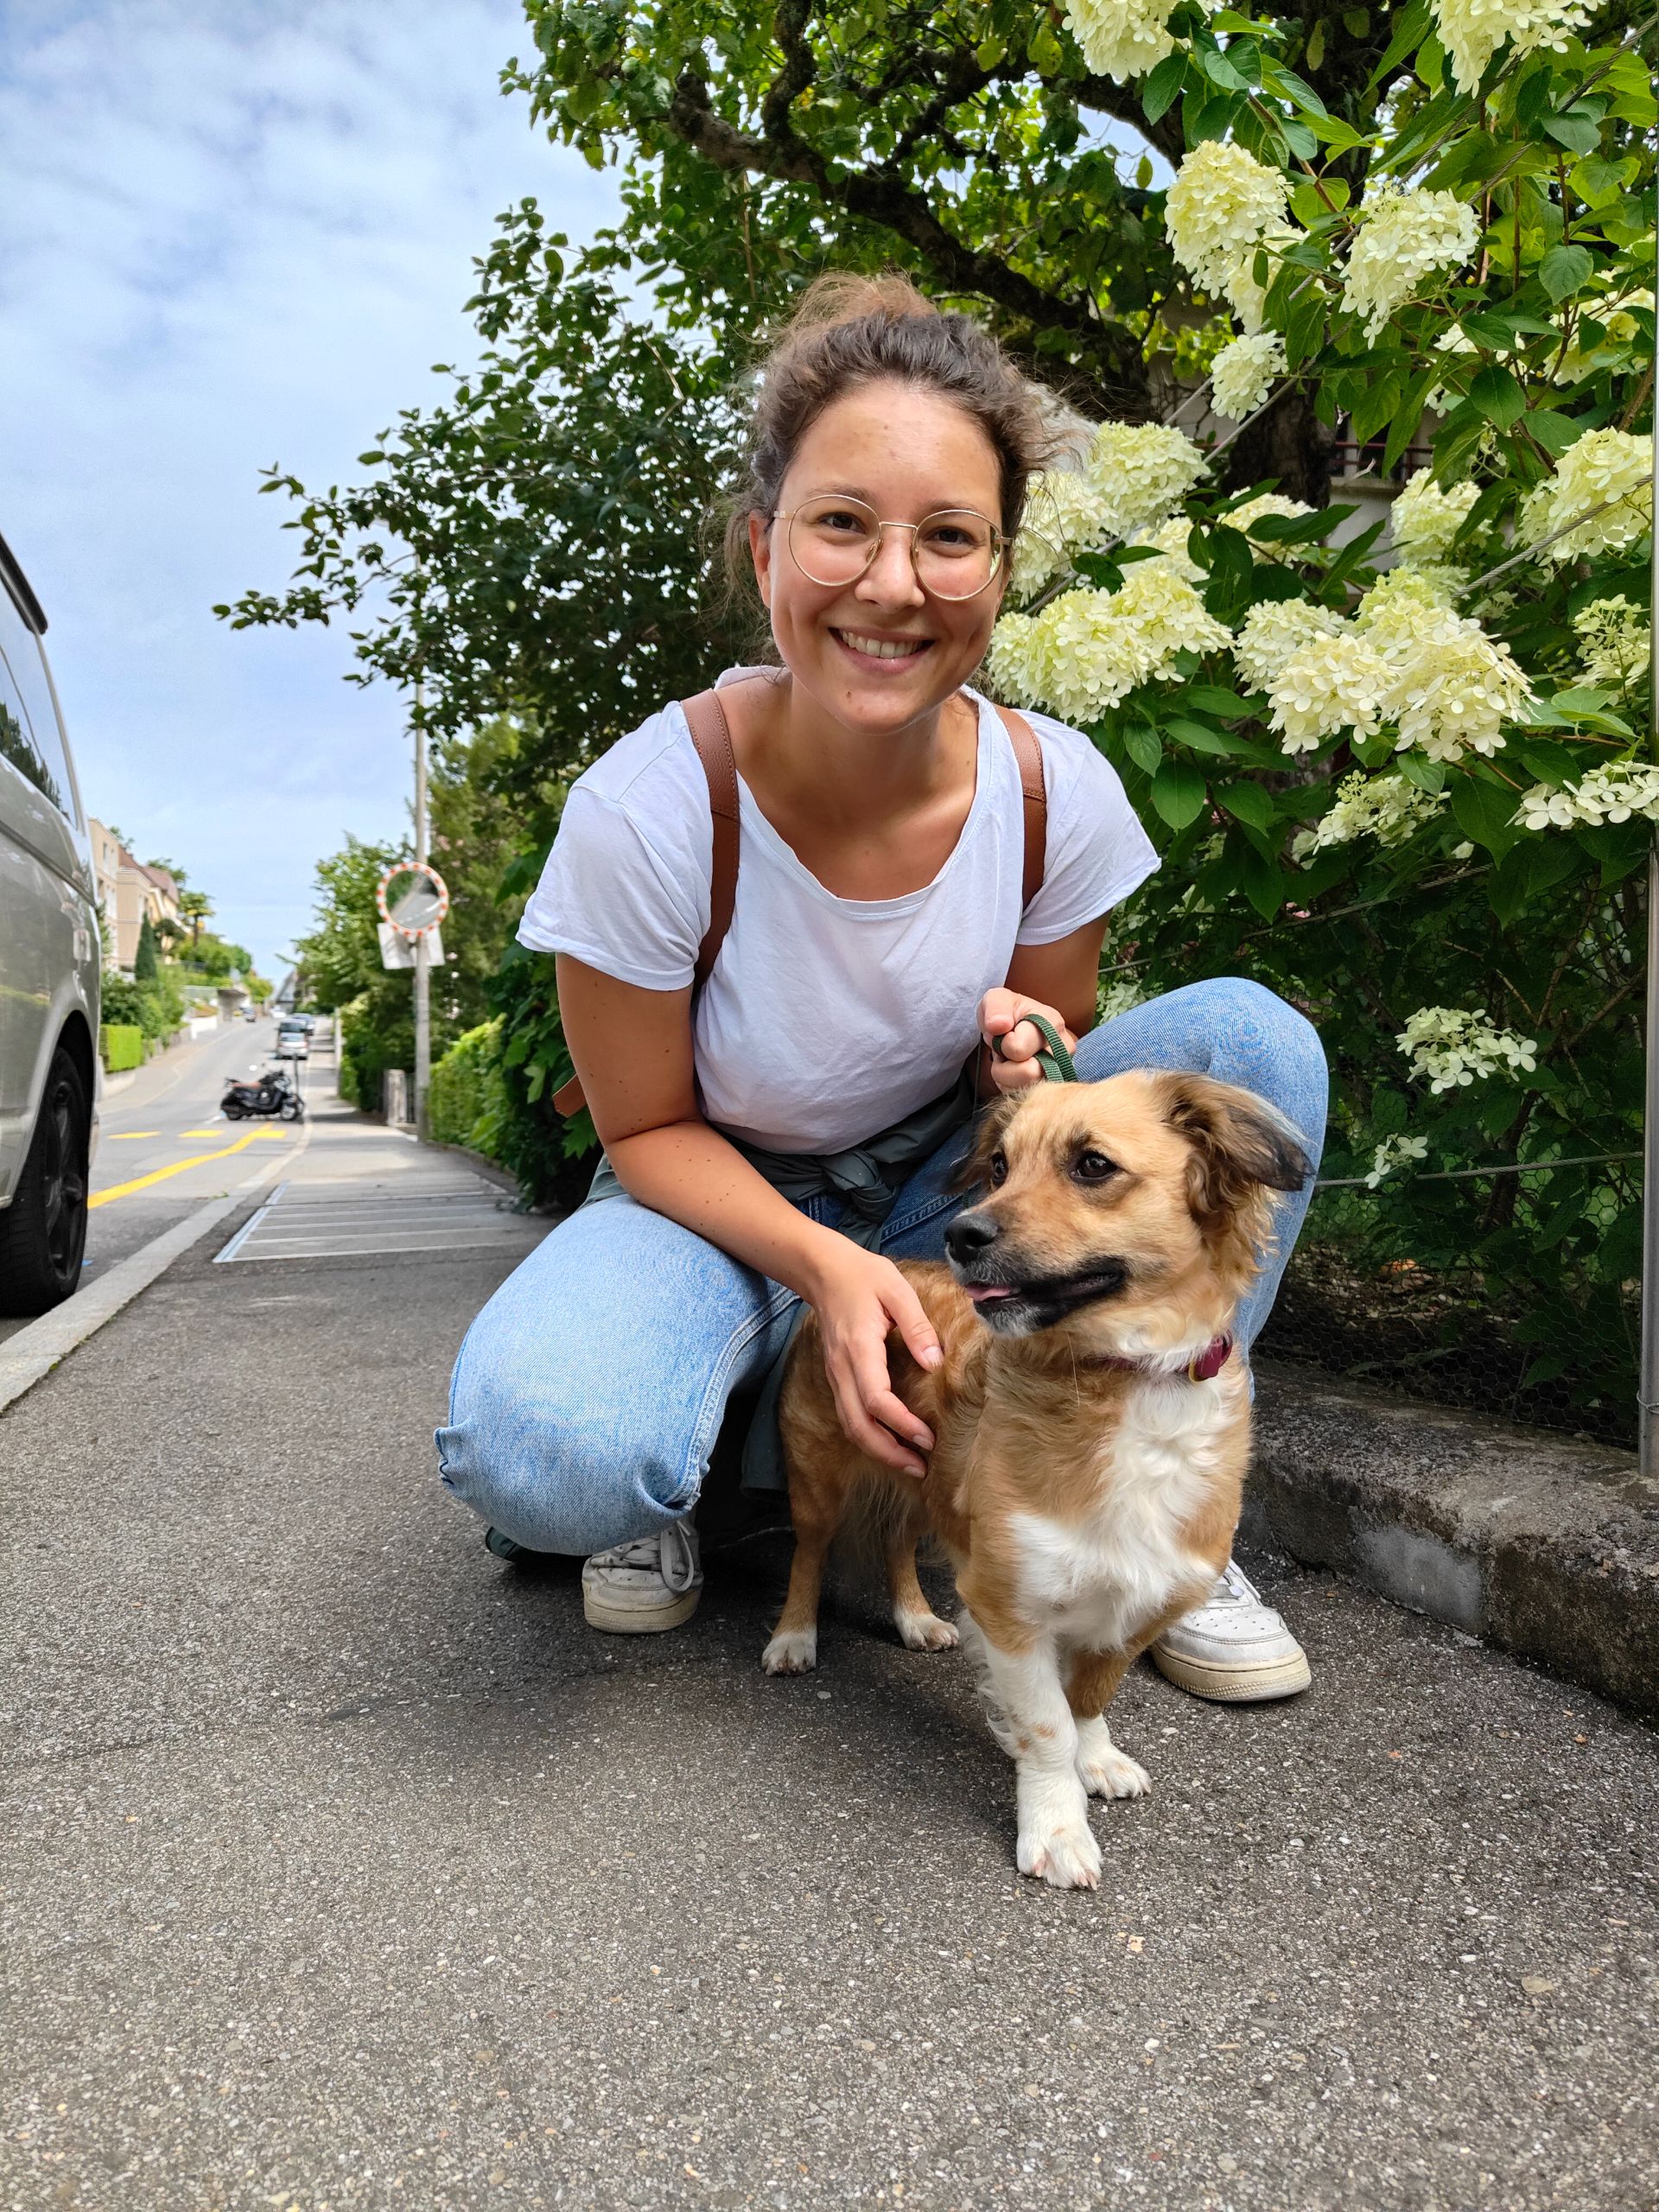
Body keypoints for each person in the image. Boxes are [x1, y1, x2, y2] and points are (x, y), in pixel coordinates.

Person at [436, 273, 1327, 1705]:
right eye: (842, 523)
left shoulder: (1052, 791)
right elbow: (643, 1130)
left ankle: (1157, 1511)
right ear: (765, 546)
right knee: (552, 1456)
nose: (893, 583)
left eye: (949, 537)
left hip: (944, 1189)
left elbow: (1058, 1060)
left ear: (1001, 567)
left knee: (1244, 1042)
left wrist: (1027, 1063)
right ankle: (710, 1454)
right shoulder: (651, 810)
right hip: (709, 1202)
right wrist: (829, 1272)